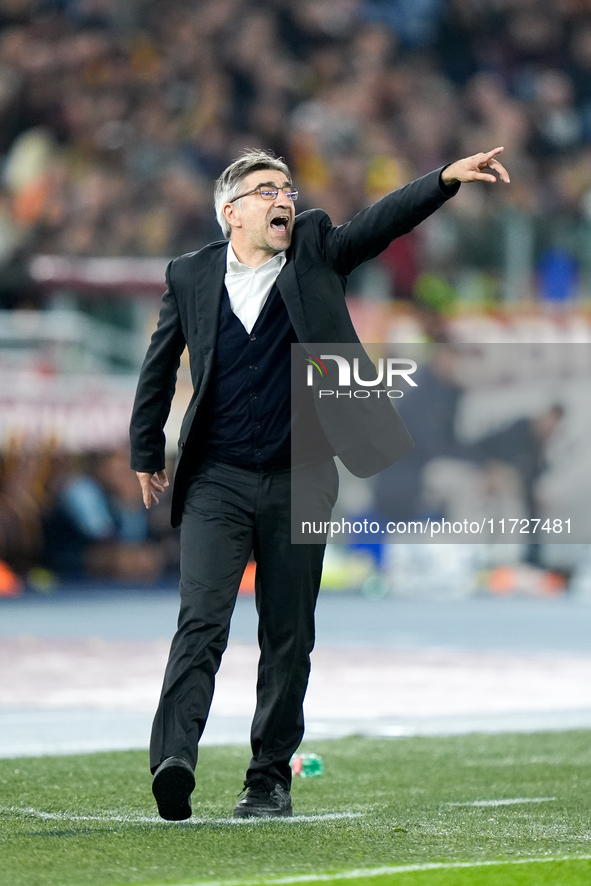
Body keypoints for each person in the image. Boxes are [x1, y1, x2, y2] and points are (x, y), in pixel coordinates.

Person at [129, 145, 510, 821]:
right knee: (201, 622)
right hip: (214, 478)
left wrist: (444, 180)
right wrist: (144, 450)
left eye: (288, 190)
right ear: (232, 211)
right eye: (267, 190)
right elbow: (160, 365)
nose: (284, 199)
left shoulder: (312, 248)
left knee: (287, 633)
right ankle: (174, 761)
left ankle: (267, 779)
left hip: (300, 476)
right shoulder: (189, 275)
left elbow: (379, 222)